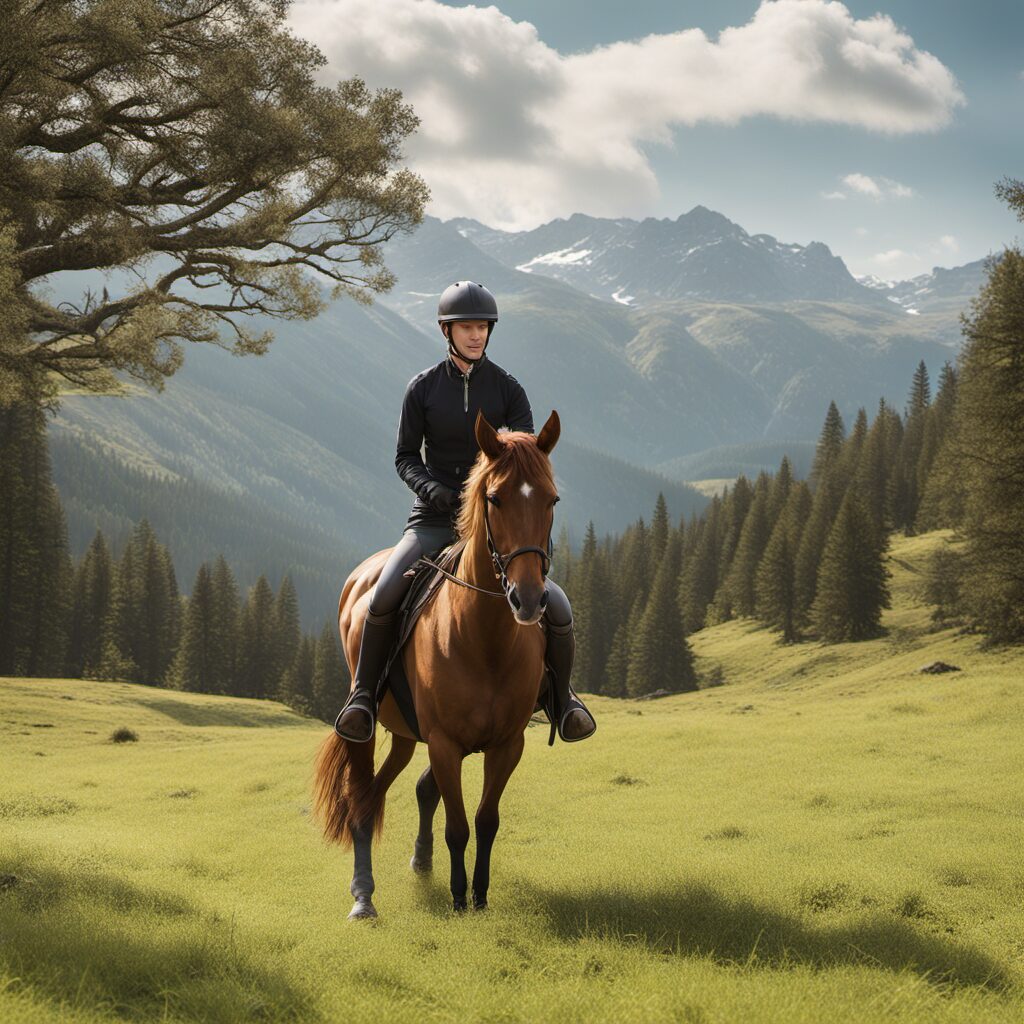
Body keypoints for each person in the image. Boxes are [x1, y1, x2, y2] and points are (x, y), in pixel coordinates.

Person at [335, 281, 597, 745]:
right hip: (434, 521)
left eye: (482, 327)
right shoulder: (423, 388)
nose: (475, 335)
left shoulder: (509, 390)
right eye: (466, 327)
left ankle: (563, 700)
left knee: (557, 605)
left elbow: (525, 465)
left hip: (502, 523)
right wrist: (433, 489)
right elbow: (404, 457)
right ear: (446, 331)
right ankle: (362, 698)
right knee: (382, 596)